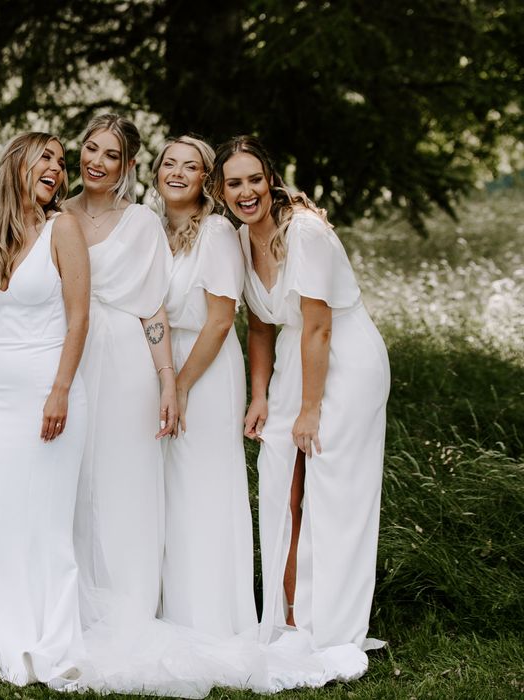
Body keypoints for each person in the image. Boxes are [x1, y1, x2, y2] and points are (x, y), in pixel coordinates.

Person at [211, 136, 390, 650]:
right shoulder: (240, 241)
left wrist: (310, 411)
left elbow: (319, 328)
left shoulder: (304, 232)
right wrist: (260, 395)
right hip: (295, 356)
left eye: (253, 180)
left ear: (270, 179)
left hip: (345, 359)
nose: (246, 192)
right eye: (234, 183)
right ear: (222, 192)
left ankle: (332, 627)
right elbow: (262, 327)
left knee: (334, 486)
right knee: (277, 474)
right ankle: (288, 615)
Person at [0, 132, 90, 687]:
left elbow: (79, 318)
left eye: (61, 163)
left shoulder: (65, 228)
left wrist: (59, 389)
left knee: (46, 521)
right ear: (18, 164)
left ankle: (47, 636)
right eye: (47, 158)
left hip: (49, 389)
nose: (57, 169)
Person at [62, 114, 176, 628]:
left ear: (128, 166)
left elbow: (153, 308)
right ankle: (72, 601)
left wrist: (167, 378)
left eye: (111, 155)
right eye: (91, 148)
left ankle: (127, 601)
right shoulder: (55, 214)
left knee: (122, 476)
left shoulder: (142, 223)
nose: (97, 162)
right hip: (67, 354)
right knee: (71, 473)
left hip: (126, 358)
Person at [151, 136, 256, 637]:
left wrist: (184, 384)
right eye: (168, 163)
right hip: (166, 367)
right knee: (170, 489)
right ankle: (174, 609)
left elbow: (220, 320)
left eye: (189, 166)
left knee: (204, 483)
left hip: (206, 369)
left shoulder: (216, 231)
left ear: (205, 180)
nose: (176, 172)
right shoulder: (152, 229)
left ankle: (214, 618)